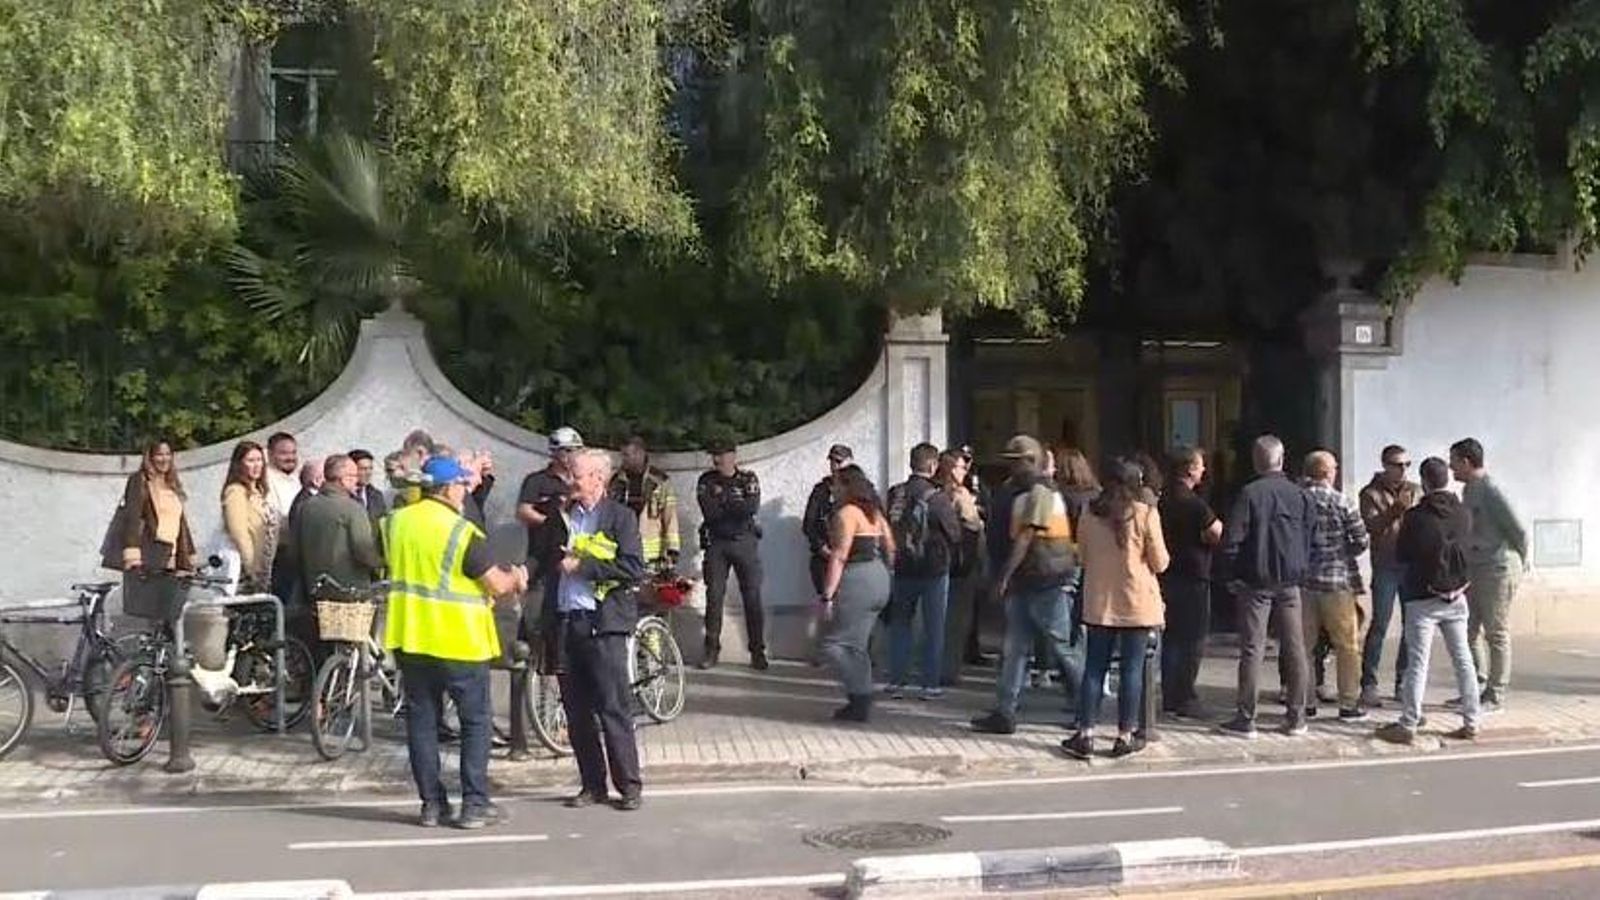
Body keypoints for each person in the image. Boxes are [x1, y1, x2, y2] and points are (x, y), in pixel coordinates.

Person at [384, 455, 528, 829]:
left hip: (410, 637)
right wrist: (518, 578)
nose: (466, 491)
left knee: (422, 722)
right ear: (448, 488)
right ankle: (474, 805)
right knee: (475, 723)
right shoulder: (461, 531)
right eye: (463, 485)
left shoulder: (395, 523)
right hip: (459, 640)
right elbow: (496, 583)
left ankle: (431, 805)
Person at [540, 449, 647, 811]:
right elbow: (545, 560)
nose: (571, 481)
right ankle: (592, 784)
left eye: (578, 475)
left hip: (603, 625)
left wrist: (583, 566)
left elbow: (632, 568)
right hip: (567, 621)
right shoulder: (562, 517)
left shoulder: (620, 517)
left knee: (612, 706)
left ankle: (629, 785)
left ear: (598, 479)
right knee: (576, 710)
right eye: (570, 474)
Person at [970, 435, 1084, 735]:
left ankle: (1087, 706)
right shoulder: (1022, 492)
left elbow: (1025, 538)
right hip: (1031, 579)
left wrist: (1003, 577)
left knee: (1061, 647)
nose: (1009, 466)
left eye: (1014, 461)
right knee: (1015, 648)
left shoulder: (1040, 492)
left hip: (1045, 580)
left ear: (1030, 461)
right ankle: (1005, 712)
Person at [1061, 459, 1169, 759]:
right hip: (1137, 602)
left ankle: (1086, 733)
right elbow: (1160, 562)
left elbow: (1081, 556)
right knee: (1132, 670)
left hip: (1100, 601)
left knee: (1094, 668)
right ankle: (1124, 735)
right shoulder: (1146, 514)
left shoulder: (1088, 514)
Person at [1377, 457, 1482, 744]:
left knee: (1417, 662)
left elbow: (1403, 555)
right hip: (1457, 595)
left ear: (1423, 481)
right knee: (1463, 660)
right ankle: (1472, 721)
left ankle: (1409, 723)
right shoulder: (1462, 513)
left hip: (1421, 597)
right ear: (1446, 479)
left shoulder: (1415, 517)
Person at [1219, 435, 1316, 739]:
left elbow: (1232, 539)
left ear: (1256, 460)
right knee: (1295, 647)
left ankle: (1246, 717)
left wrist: (1232, 575)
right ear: (1282, 459)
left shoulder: (1249, 494)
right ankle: (1297, 716)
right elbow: (1310, 535)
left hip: (1255, 581)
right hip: (1290, 581)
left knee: (1253, 648)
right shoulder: (1300, 495)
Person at [1450, 438, 1528, 712]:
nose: (1451, 468)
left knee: (1496, 632)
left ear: (1466, 462)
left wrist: (1520, 563)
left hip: (1497, 567)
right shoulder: (1468, 490)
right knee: (1468, 630)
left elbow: (1518, 529)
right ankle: (1475, 684)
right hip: (1475, 567)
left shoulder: (1491, 489)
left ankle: (1495, 695)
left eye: (1454, 462)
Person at [818, 465, 897, 722]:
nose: (834, 489)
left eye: (837, 484)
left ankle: (859, 694)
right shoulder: (874, 513)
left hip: (858, 578)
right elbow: (891, 548)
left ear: (846, 486)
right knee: (858, 646)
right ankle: (859, 702)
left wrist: (827, 596)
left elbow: (840, 556)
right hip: (879, 576)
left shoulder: (847, 514)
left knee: (835, 645)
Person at [884, 443, 963, 699]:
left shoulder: (895, 493)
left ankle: (896, 681)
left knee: (900, 626)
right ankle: (930, 684)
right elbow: (954, 532)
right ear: (932, 465)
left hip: (903, 568)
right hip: (933, 570)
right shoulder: (937, 498)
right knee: (934, 628)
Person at [1301, 450, 1370, 720]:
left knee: (1304, 646)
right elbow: (1361, 539)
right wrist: (1343, 552)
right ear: (1328, 472)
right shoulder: (1342, 502)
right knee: (1347, 645)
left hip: (1304, 582)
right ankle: (1348, 704)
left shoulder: (1297, 500)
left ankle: (1305, 702)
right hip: (1337, 581)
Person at [1158, 446, 1221, 719]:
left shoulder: (1163, 499)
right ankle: (1185, 696)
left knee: (1171, 637)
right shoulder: (1194, 503)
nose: (1203, 470)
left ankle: (1170, 694)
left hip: (1167, 575)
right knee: (1193, 639)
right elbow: (1215, 532)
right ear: (1189, 469)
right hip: (1193, 576)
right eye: (1200, 465)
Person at [1358, 444, 1422, 709]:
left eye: (1407, 465)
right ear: (1385, 466)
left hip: (1411, 566)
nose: (1403, 470)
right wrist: (1395, 510)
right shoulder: (1370, 493)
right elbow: (1372, 527)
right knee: (1380, 624)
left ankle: (1403, 681)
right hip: (1385, 565)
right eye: (1398, 465)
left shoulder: (1416, 490)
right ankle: (1369, 683)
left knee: (1412, 625)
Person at [697, 440, 766, 670]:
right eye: (714, 455)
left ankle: (758, 651)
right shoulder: (706, 481)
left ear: (733, 455)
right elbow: (710, 512)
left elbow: (751, 508)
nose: (717, 460)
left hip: (744, 542)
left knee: (752, 597)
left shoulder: (748, 479)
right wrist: (734, 503)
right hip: (717, 544)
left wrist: (723, 500)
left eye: (721, 454)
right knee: (714, 597)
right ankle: (711, 650)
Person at [106, 439, 196, 577]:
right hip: (150, 555)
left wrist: (189, 553)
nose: (164, 459)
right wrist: (132, 554)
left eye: (168, 454)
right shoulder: (140, 480)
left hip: (172, 556)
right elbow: (133, 517)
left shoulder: (172, 483)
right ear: (150, 457)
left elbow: (181, 522)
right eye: (159, 454)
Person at [938, 449, 986, 686]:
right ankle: (948, 671)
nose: (964, 471)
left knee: (939, 619)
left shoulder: (933, 491)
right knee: (957, 621)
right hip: (961, 564)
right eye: (960, 467)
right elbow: (974, 527)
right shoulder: (960, 494)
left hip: (937, 563)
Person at [517, 427, 583, 586]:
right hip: (542, 555)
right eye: (567, 450)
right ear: (555, 452)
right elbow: (523, 511)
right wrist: (552, 523)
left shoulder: (581, 481)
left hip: (573, 556)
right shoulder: (537, 480)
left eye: (576, 450)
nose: (572, 455)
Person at [609, 436, 681, 571]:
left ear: (640, 453)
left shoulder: (659, 481)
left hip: (652, 556)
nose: (623, 460)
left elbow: (670, 517)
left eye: (627, 455)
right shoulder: (616, 481)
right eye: (622, 455)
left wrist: (672, 550)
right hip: (623, 550)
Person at [221, 440, 280, 592]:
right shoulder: (236, 492)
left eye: (259, 460)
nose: (256, 465)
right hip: (249, 571)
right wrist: (252, 569)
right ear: (239, 464)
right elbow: (239, 533)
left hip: (267, 567)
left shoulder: (259, 492)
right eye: (250, 460)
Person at [802, 445, 854, 594]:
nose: (834, 466)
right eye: (832, 461)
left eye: (839, 461)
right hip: (825, 559)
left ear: (849, 462)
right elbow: (809, 524)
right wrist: (822, 548)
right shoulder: (821, 490)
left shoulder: (858, 489)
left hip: (852, 560)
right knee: (827, 605)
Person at [264, 432, 301, 521]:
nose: (290, 458)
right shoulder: (264, 479)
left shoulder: (301, 476)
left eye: (293, 452)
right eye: (283, 453)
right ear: (270, 454)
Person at [349, 449, 389, 523]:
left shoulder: (377, 496)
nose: (368, 473)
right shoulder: (343, 496)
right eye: (363, 469)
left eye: (370, 468)